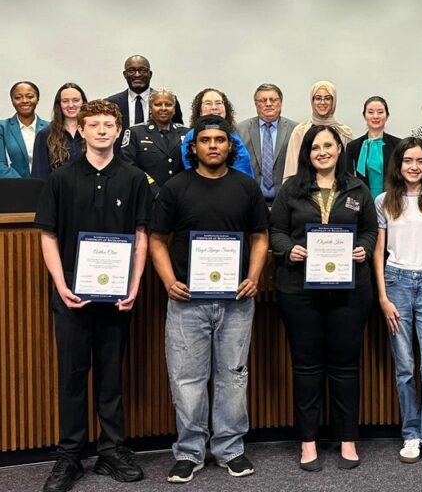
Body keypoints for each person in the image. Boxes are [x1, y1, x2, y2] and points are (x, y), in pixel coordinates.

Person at [35, 99, 151, 492]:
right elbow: (48, 235)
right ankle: (69, 456)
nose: (102, 130)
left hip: (118, 296)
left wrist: (134, 286)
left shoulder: (134, 178)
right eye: (94, 124)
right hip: (72, 294)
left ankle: (111, 450)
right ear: (80, 131)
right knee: (71, 376)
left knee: (111, 375)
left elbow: (141, 236)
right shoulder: (61, 178)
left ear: (118, 131)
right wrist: (60, 285)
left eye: (108, 124)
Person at [149, 115, 269, 484]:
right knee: (187, 379)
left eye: (220, 140)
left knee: (232, 377)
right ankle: (189, 452)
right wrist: (170, 282)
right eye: (205, 140)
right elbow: (157, 239)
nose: (213, 145)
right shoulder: (175, 187)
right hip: (187, 301)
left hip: (236, 300)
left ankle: (230, 449)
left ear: (229, 146)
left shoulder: (246, 187)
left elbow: (260, 237)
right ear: (194, 147)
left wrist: (253, 277)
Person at [269, 125, 377, 471]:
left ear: (339, 149)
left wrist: (363, 248)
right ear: (307, 152)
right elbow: (276, 232)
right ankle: (308, 442)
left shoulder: (357, 187)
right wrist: (289, 250)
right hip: (299, 291)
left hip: (350, 291)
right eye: (316, 147)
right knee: (306, 366)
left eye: (328, 145)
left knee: (346, 366)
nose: (322, 152)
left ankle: (348, 439)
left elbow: (371, 231)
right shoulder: (292, 189)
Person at [373, 137, 422, 469]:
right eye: (408, 161)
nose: (414, 166)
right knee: (404, 367)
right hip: (396, 285)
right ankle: (411, 434)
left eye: (420, 161)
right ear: (398, 164)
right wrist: (383, 297)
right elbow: (379, 252)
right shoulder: (383, 201)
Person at [121, 88, 188, 198]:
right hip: (146, 196)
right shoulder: (135, 132)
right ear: (150, 108)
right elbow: (128, 165)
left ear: (174, 109)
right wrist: (155, 191)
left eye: (168, 104)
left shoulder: (186, 133)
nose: (163, 108)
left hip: (180, 196)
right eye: (158, 104)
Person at [237, 83, 298, 205]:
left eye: (273, 100)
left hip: (286, 201)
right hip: (250, 200)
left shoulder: (295, 130)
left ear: (280, 103)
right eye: (263, 100)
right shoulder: (240, 130)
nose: (268, 104)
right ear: (256, 104)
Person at [283, 80, 354, 179]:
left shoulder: (344, 133)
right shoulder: (300, 131)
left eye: (327, 98)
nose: (322, 102)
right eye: (318, 98)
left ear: (333, 102)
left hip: (339, 188)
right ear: (312, 101)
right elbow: (291, 170)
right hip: (304, 189)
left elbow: (348, 170)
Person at [180, 88, 253, 177]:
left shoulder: (233, 134)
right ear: (199, 110)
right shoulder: (191, 136)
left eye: (218, 103)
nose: (214, 107)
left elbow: (244, 166)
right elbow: (191, 170)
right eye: (208, 103)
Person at [346, 96, 402, 199]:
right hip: (362, 202)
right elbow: (348, 179)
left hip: (392, 201)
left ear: (387, 115)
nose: (375, 116)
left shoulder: (399, 145)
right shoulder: (353, 147)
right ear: (364, 116)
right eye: (370, 112)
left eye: (380, 112)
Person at [105, 55, 183, 127]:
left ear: (150, 74)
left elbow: (178, 133)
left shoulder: (168, 102)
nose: (137, 75)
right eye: (131, 71)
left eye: (142, 70)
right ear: (125, 74)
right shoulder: (111, 103)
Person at [31, 83, 87, 179]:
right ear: (59, 105)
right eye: (65, 101)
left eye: (76, 100)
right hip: (57, 192)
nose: (71, 105)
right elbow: (39, 175)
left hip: (90, 192)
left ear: (83, 102)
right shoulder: (45, 135)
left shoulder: (93, 133)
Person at [1, 81, 48, 178]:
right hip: (13, 188)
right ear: (12, 100)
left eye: (30, 96)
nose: (24, 101)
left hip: (46, 188)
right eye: (18, 97)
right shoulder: (2, 127)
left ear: (37, 99)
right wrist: (24, 186)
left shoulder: (50, 128)